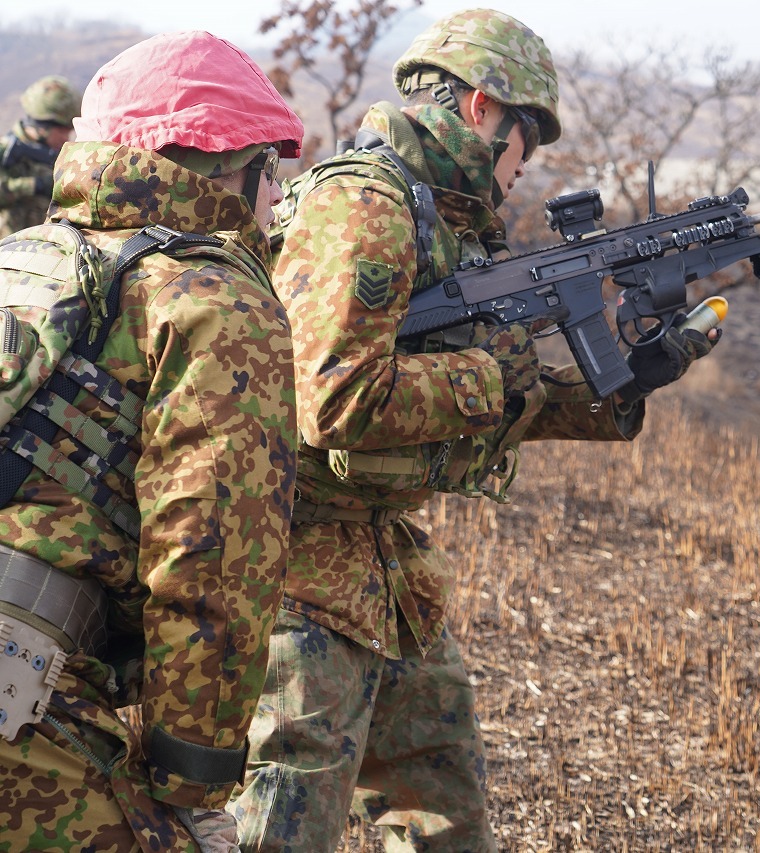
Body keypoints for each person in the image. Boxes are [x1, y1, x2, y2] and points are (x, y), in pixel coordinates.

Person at [227, 8, 717, 851]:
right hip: (301, 572)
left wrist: (618, 387)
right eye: (528, 137)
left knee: (444, 820)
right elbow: (330, 401)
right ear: (483, 109)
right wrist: (494, 373)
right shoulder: (363, 206)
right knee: (279, 828)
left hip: (388, 572)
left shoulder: (443, 222)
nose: (527, 164)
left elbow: (483, 401)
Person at [0, 31, 303, 851]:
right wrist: (188, 784)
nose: (279, 195)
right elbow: (213, 565)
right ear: (217, 167)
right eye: (271, 166)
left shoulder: (22, 258)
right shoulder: (214, 299)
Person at [0, 75, 82, 237]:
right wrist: (35, 185)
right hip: (9, 248)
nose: (67, 137)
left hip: (48, 247)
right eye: (63, 131)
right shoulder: (6, 153)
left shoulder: (55, 152)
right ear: (43, 127)